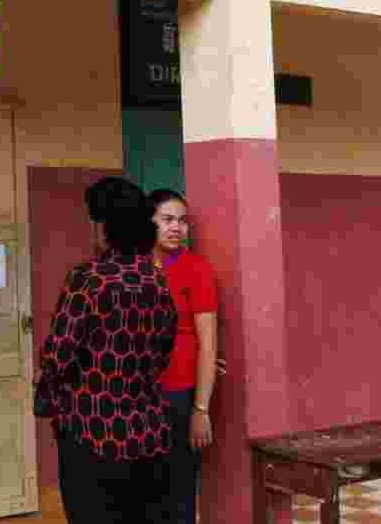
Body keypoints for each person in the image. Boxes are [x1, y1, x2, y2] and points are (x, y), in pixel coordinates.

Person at [39, 176, 177, 524]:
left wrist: (50, 386)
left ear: (103, 226)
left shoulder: (89, 279)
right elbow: (164, 351)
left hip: (92, 432)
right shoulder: (156, 280)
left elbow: (57, 354)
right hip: (148, 433)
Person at [148, 189, 219, 524]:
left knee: (179, 493)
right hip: (136, 397)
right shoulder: (133, 267)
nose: (176, 227)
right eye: (167, 219)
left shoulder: (196, 269)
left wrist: (200, 409)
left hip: (179, 395)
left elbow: (209, 344)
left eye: (182, 221)